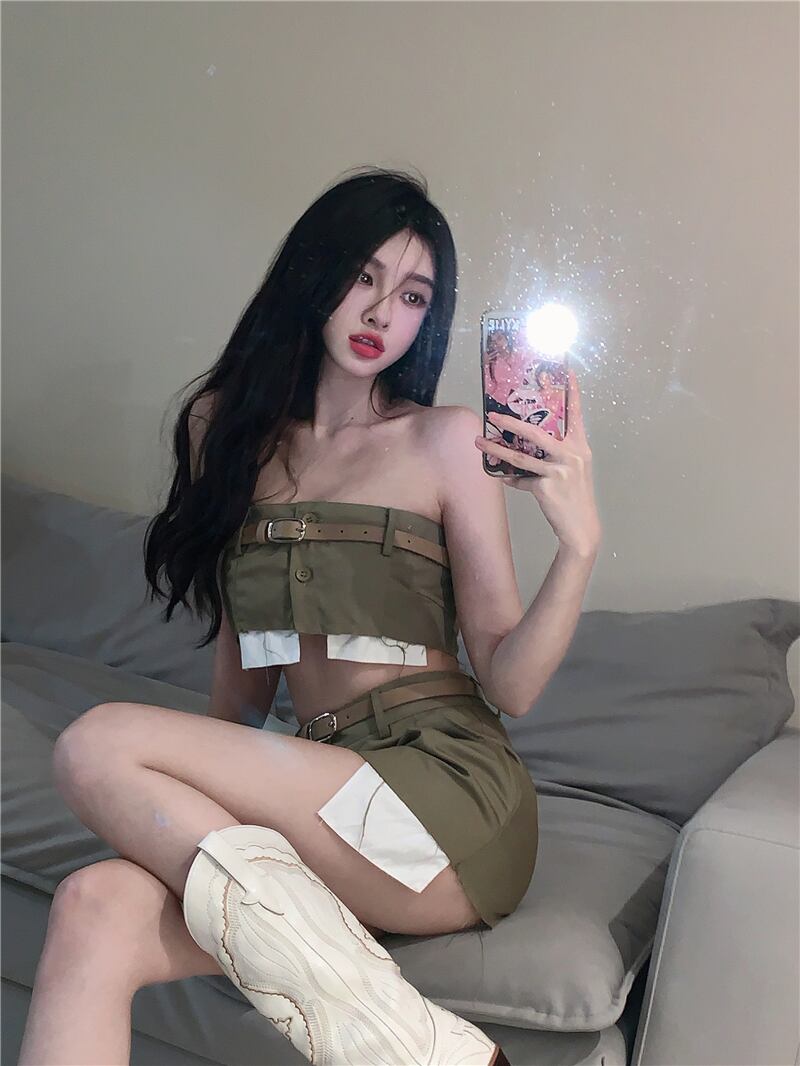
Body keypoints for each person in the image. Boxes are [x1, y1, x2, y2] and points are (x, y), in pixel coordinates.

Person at [19, 165, 600, 1065]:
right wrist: (202, 787)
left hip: (441, 798)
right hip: (326, 792)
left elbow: (512, 685)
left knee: (95, 743)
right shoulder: (226, 432)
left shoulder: (443, 440)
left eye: (413, 296)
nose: (381, 313)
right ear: (314, 272)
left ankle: (401, 1040)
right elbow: (244, 679)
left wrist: (579, 546)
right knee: (93, 907)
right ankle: (414, 1040)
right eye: (363, 276)